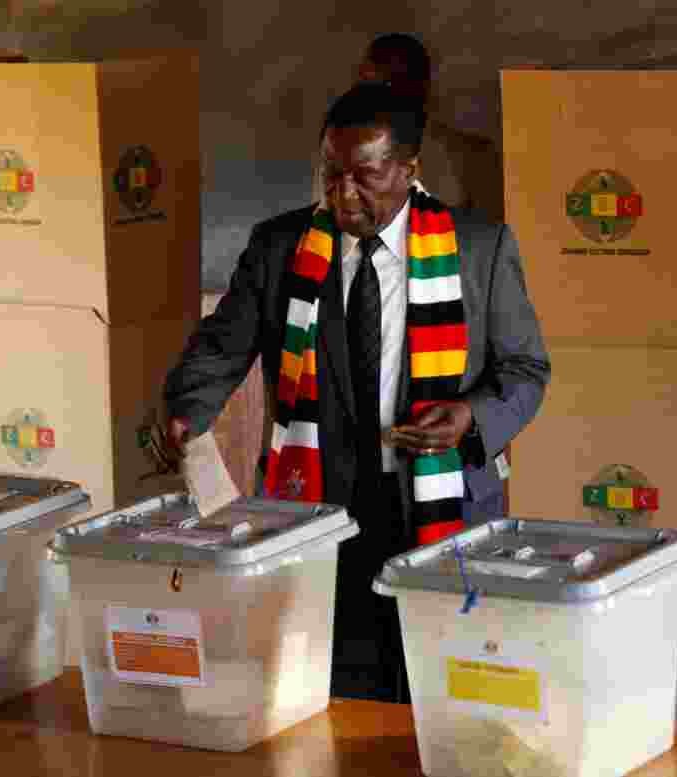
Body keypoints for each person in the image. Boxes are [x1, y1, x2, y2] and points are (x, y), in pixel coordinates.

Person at [163, 82, 549, 704]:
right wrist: (187, 409)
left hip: (440, 508)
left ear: (408, 170)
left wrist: (469, 417)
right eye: (331, 173)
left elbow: (526, 371)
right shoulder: (280, 248)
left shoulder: (478, 248)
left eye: (364, 175)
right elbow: (221, 347)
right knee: (323, 686)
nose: (343, 193)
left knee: (440, 687)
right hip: (317, 508)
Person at [312, 33, 503, 219]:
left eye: (396, 81)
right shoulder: (337, 153)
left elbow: (486, 237)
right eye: (372, 85)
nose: (383, 96)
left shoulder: (473, 156)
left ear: (424, 86)